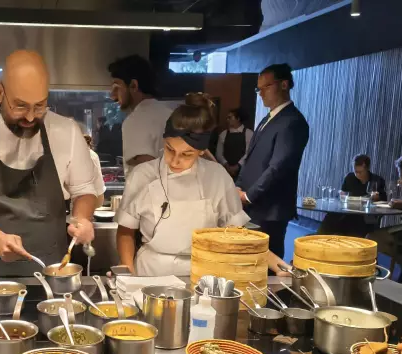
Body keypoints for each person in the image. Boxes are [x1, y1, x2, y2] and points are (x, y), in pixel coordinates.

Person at [0, 50, 101, 276]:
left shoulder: (68, 132)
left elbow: (84, 190)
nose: (31, 117)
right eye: (20, 106)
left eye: (40, 106)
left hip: (54, 268)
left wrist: (81, 218)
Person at [114, 93, 289, 277]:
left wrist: (277, 265)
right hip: (151, 270)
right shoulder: (142, 175)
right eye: (170, 149)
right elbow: (126, 230)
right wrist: (127, 270)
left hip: (203, 272)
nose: (175, 161)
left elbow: (238, 233)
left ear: (201, 151)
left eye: (187, 154)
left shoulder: (217, 177)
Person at [236, 63, 310, 259]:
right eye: (258, 89)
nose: (261, 93)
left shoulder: (293, 121)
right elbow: (250, 158)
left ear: (284, 85)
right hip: (253, 205)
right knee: (248, 258)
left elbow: (279, 167)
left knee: (267, 263)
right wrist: (237, 186)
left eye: (266, 87)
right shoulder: (268, 118)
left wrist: (249, 195)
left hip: (270, 208)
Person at [108, 55, 175, 176]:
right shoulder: (170, 113)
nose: (112, 95)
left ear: (133, 85)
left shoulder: (135, 121)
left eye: (116, 87)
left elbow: (144, 170)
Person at [318, 154, 388, 236]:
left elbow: (384, 200)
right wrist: (341, 194)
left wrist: (377, 197)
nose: (357, 174)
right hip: (347, 211)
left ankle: (349, 240)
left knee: (354, 221)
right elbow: (340, 195)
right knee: (330, 216)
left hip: (365, 215)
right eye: (355, 172)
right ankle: (320, 238)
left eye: (360, 172)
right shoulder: (350, 177)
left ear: (367, 169)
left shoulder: (377, 180)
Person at [215, 108, 253, 179]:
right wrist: (226, 165)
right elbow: (219, 153)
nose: (227, 120)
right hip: (226, 171)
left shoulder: (249, 134)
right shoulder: (223, 134)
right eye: (227, 118)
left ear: (238, 119)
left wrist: (238, 166)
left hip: (243, 172)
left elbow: (249, 153)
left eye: (230, 117)